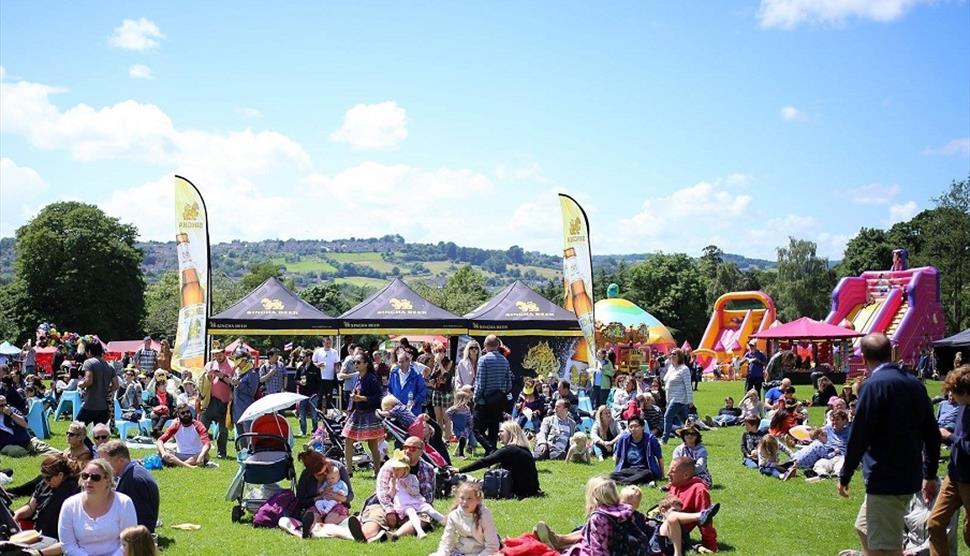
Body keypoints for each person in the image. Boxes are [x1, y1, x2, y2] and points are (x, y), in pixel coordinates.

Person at [839, 333, 942, 556]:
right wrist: (929, 474)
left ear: (864, 359)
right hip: (906, 476)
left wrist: (845, 475)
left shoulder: (872, 386)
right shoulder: (915, 385)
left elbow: (859, 435)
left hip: (885, 479)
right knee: (864, 527)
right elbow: (932, 434)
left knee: (886, 548)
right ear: (891, 354)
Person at [341, 436, 436, 543]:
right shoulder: (391, 465)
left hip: (412, 506)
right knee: (372, 523)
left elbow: (428, 497)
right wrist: (390, 510)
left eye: (413, 448)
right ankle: (366, 535)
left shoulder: (427, 469)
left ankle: (393, 535)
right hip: (384, 504)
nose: (408, 451)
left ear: (421, 452)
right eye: (405, 447)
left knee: (423, 518)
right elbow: (382, 491)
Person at [927, 364, 970, 554]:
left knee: (969, 534)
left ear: (966, 392)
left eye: (954, 392)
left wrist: (949, 437)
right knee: (935, 523)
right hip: (953, 476)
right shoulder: (962, 407)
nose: (950, 396)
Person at [56, 459, 137, 556]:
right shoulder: (69, 505)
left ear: (107, 480)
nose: (89, 480)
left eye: (95, 477)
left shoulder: (124, 503)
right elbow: (68, 545)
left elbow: (129, 541)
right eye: (85, 476)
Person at [457, 420, 541, 499]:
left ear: (510, 433)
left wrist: (460, 470)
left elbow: (484, 462)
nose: (498, 434)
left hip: (516, 491)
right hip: (532, 490)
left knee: (462, 479)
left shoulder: (508, 450)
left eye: (501, 431)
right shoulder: (525, 449)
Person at [558, 476, 636, 555]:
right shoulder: (625, 511)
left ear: (593, 497)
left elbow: (598, 550)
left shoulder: (599, 518)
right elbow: (584, 533)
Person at [12, 453, 79, 539]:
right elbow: (31, 507)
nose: (45, 481)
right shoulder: (44, 484)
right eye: (44, 477)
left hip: (53, 535)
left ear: (60, 475)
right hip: (37, 529)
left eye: (48, 478)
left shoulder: (72, 490)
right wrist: (17, 514)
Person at [98, 440, 160, 534]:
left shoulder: (134, 480)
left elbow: (140, 518)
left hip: (137, 538)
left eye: (106, 462)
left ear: (121, 460)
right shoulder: (133, 472)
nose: (103, 467)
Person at [386, 450, 446, 539]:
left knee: (430, 510)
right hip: (404, 504)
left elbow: (416, 492)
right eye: (394, 469)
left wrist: (407, 487)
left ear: (406, 469)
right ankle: (420, 532)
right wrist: (393, 485)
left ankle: (448, 523)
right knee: (411, 513)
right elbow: (391, 495)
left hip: (417, 501)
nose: (395, 472)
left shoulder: (412, 478)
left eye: (398, 469)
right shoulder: (394, 480)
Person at [341, 353, 383, 478]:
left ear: (366, 364)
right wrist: (350, 409)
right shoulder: (357, 377)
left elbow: (377, 398)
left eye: (358, 362)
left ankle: (377, 471)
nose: (355, 365)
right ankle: (348, 471)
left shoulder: (372, 378)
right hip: (356, 413)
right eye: (354, 362)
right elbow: (354, 397)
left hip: (369, 414)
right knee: (348, 440)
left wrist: (362, 398)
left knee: (372, 444)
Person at [431, 480, 501, 556]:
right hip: (461, 552)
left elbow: (492, 546)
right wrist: (441, 553)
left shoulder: (484, 516)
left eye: (469, 498)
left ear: (478, 500)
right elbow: (446, 541)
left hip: (482, 552)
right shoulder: (454, 515)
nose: (464, 502)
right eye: (462, 498)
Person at [667, 456, 719, 552]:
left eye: (672, 471)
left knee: (673, 516)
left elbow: (705, 521)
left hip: (673, 530)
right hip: (660, 523)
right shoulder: (675, 485)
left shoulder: (698, 490)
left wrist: (710, 544)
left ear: (685, 475)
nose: (668, 473)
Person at [473, 335, 513, 454]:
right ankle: (491, 458)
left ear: (485, 345)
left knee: (476, 429)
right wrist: (501, 393)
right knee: (493, 429)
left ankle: (491, 450)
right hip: (498, 401)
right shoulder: (504, 360)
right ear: (498, 346)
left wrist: (476, 398)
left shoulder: (483, 360)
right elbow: (509, 384)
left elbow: (480, 383)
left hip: (484, 402)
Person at [199, 346, 233, 459]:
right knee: (202, 427)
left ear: (224, 353)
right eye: (215, 354)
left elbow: (234, 383)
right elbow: (202, 381)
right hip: (210, 401)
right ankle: (199, 450)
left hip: (225, 402)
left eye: (219, 354)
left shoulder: (232, 366)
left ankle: (221, 453)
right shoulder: (210, 364)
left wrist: (222, 376)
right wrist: (208, 377)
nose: (217, 357)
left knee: (223, 430)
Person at [611, 415, 664, 485]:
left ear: (642, 427)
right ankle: (634, 481)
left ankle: (625, 482)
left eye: (636, 426)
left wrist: (662, 474)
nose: (633, 429)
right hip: (629, 469)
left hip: (644, 470)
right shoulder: (623, 439)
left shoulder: (651, 439)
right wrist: (617, 470)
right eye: (631, 427)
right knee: (612, 475)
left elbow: (659, 457)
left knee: (648, 473)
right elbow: (618, 457)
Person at [156, 402, 211, 468]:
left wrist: (201, 455)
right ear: (178, 415)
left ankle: (178, 465)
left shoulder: (198, 425)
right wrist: (163, 453)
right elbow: (160, 440)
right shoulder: (176, 425)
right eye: (183, 413)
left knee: (206, 455)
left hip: (196, 456)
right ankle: (188, 466)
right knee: (160, 452)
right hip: (180, 456)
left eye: (187, 412)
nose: (186, 414)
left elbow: (207, 443)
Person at [77, 341, 118, 426]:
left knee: (76, 430)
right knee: (99, 436)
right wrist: (106, 390)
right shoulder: (110, 366)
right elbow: (116, 385)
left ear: (89, 352)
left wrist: (81, 385)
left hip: (90, 405)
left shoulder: (89, 362)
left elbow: (89, 381)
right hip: (104, 407)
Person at [663, 349, 693, 443]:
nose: (671, 355)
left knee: (667, 416)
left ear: (680, 356)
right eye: (671, 354)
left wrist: (690, 400)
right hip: (670, 398)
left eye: (674, 354)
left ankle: (664, 439)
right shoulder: (671, 368)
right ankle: (694, 433)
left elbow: (688, 385)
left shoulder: (684, 369)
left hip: (679, 398)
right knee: (685, 420)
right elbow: (665, 379)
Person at [230, 346, 260, 439]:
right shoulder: (238, 372)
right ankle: (242, 452)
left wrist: (239, 384)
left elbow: (252, 392)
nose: (238, 365)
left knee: (248, 436)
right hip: (237, 409)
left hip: (247, 409)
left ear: (245, 361)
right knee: (240, 436)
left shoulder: (252, 374)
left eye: (239, 362)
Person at [388, 351, 427, 417]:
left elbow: (422, 392)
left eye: (402, 362)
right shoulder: (394, 373)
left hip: (412, 412)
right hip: (396, 411)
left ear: (408, 361)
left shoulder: (416, 375)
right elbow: (389, 390)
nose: (400, 364)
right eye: (399, 362)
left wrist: (414, 401)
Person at [429, 349, 455, 441]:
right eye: (437, 352)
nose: (439, 354)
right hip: (436, 391)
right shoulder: (435, 364)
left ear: (445, 353)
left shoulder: (449, 362)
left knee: (446, 417)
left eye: (441, 352)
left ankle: (448, 438)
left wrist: (440, 363)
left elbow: (446, 375)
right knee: (438, 417)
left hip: (446, 392)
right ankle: (439, 438)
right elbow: (432, 377)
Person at [312, 337, 340, 412]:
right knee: (319, 397)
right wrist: (318, 365)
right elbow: (313, 362)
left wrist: (337, 369)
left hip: (330, 378)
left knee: (329, 398)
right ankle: (318, 414)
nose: (328, 345)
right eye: (327, 343)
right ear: (323, 343)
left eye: (330, 343)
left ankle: (329, 414)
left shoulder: (334, 352)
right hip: (320, 378)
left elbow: (337, 362)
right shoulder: (318, 351)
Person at [447, 389, 474, 458]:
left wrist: (470, 424)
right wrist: (453, 418)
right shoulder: (455, 408)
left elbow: (469, 417)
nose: (468, 401)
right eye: (467, 399)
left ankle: (459, 453)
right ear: (462, 400)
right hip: (457, 427)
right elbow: (448, 412)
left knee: (463, 440)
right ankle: (461, 454)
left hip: (465, 427)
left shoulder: (467, 408)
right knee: (461, 439)